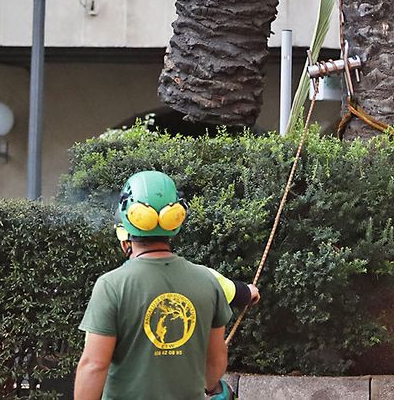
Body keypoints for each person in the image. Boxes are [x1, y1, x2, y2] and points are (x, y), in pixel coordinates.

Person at [75, 171, 232, 400]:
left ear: (128, 223)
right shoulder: (207, 281)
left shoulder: (111, 286)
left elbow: (93, 366)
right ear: (176, 217)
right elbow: (215, 365)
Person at [113, 225, 261, 314]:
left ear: (125, 244)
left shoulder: (113, 287)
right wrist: (249, 292)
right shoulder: (204, 278)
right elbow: (237, 293)